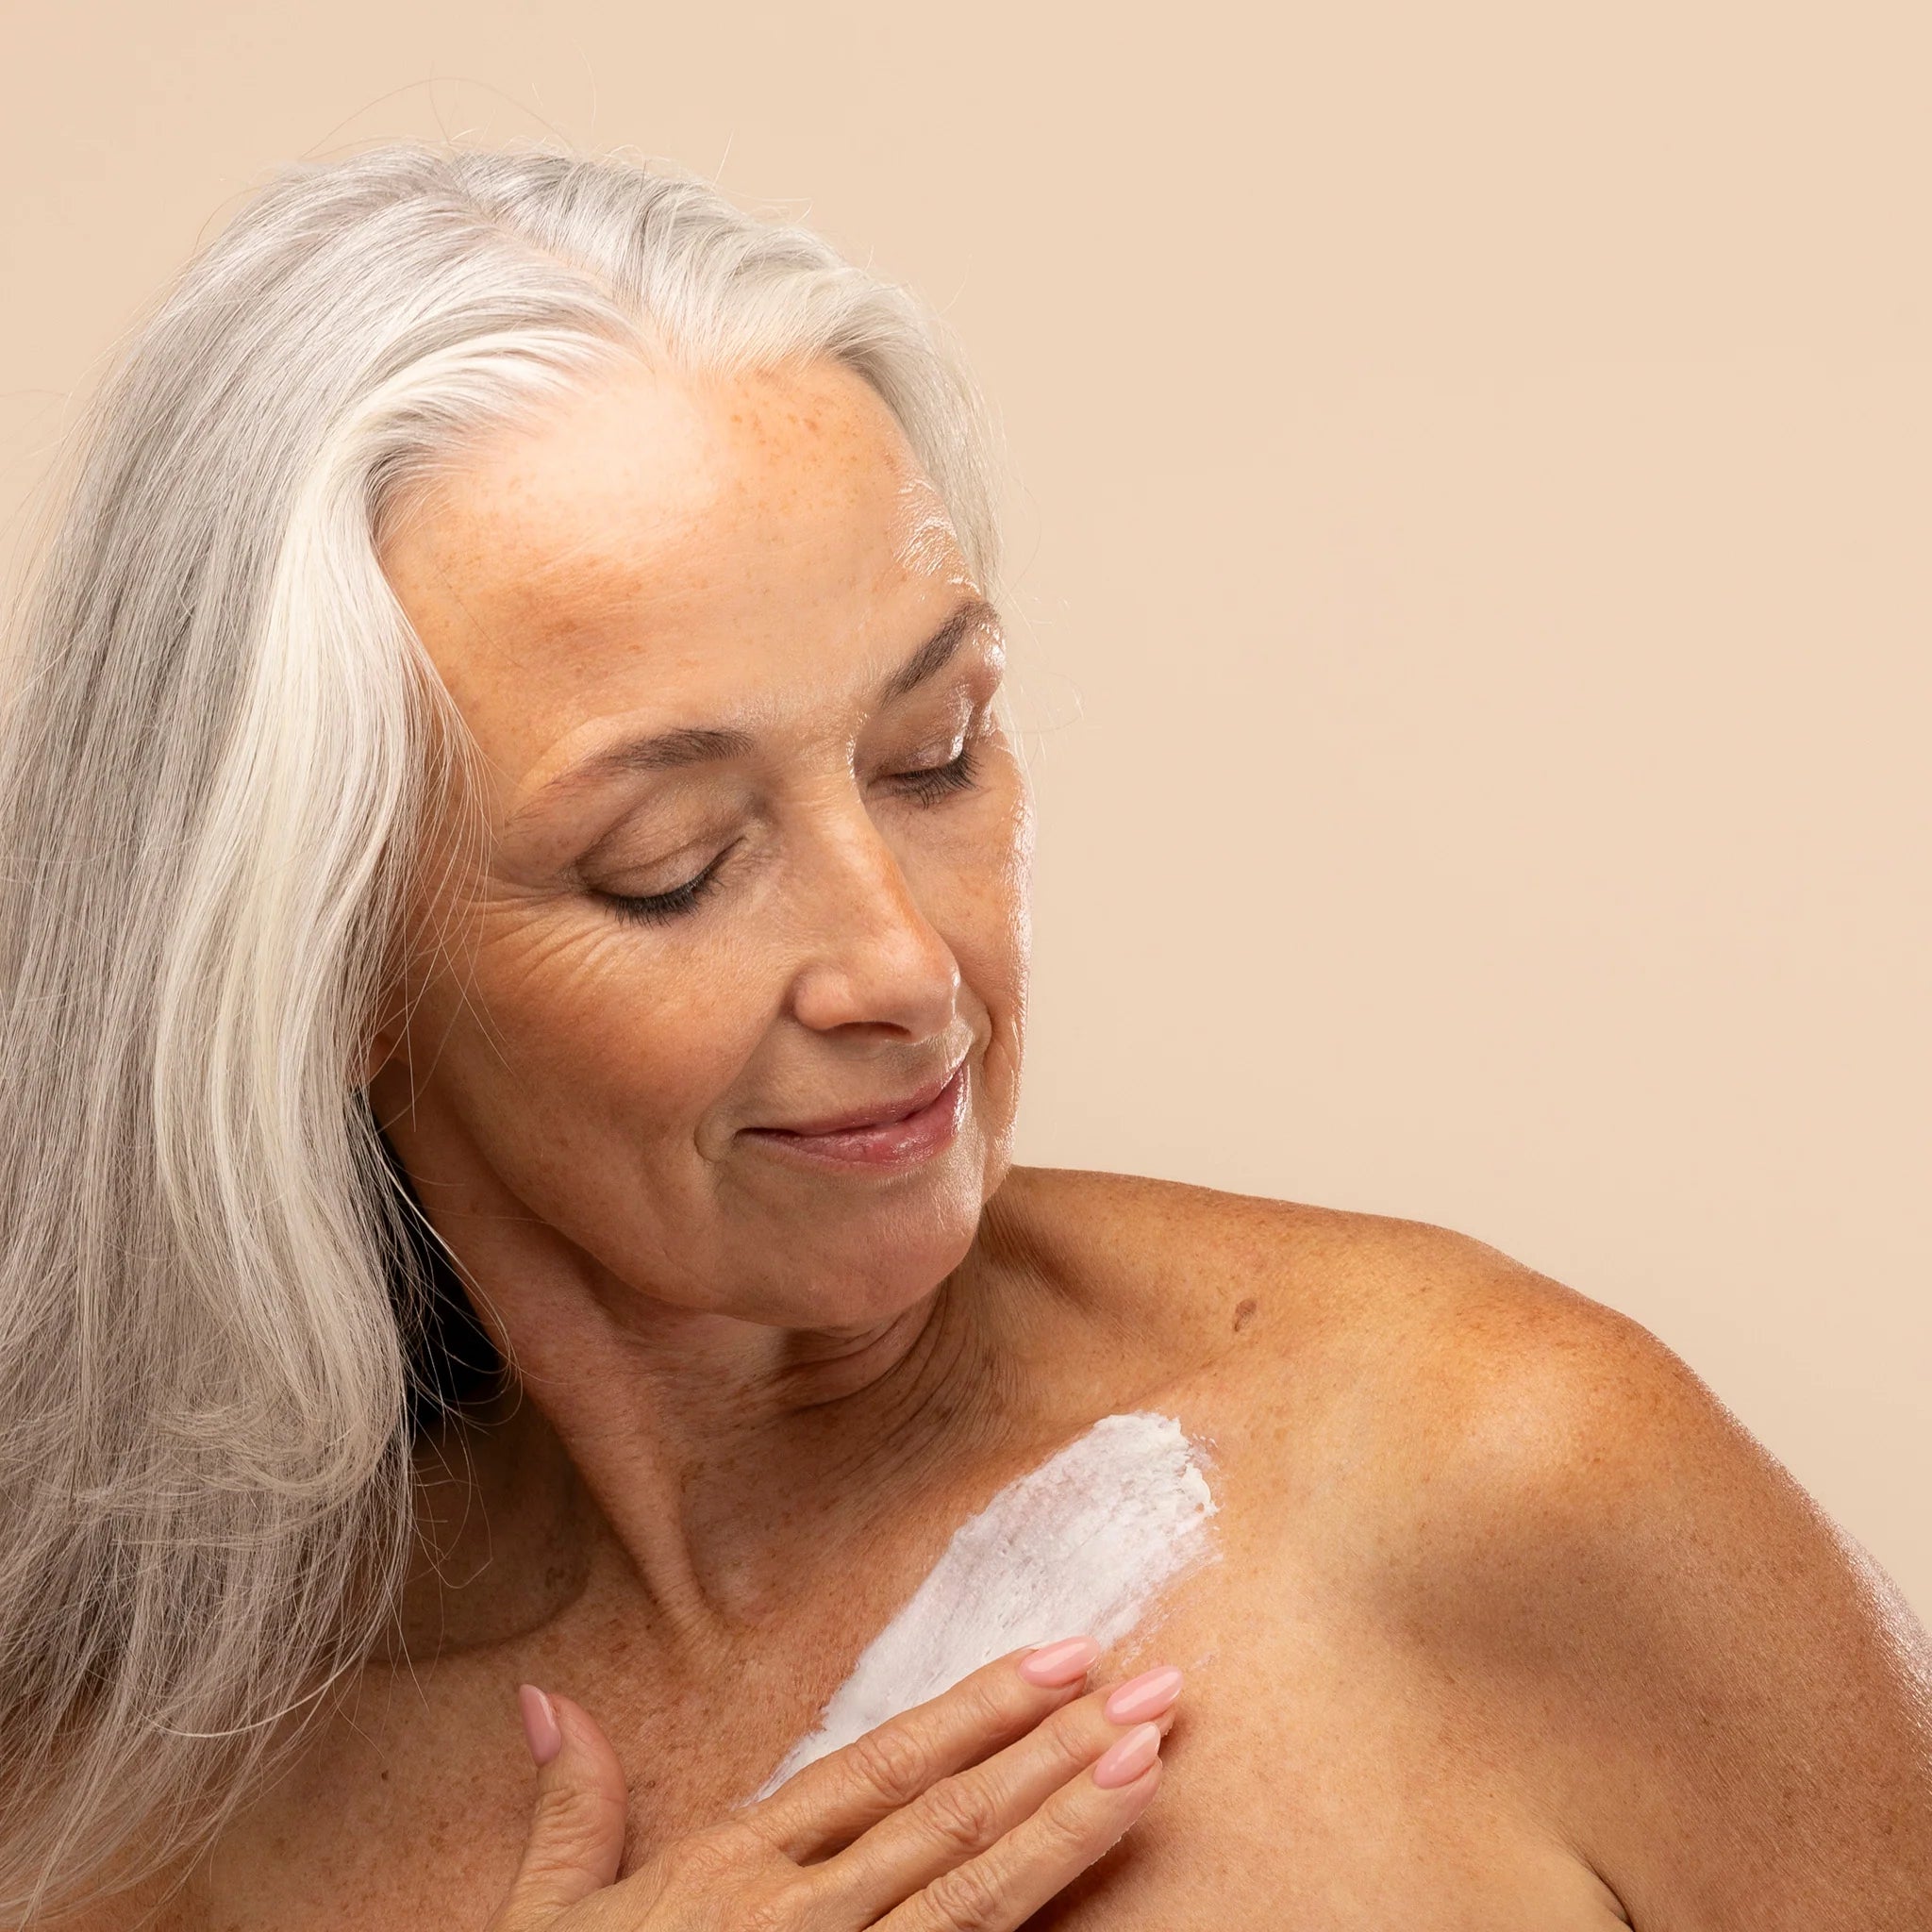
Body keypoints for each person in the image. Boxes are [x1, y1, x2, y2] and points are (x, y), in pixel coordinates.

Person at [2, 142, 1926, 1931]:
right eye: (672, 865)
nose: (904, 964)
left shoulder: (1497, 1488)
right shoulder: (119, 1801)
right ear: (322, 967)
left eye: (933, 754)